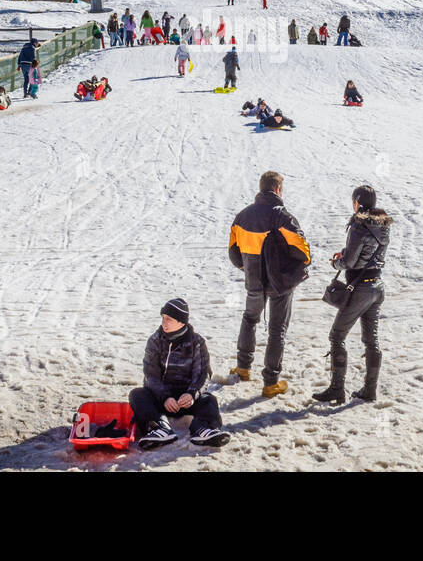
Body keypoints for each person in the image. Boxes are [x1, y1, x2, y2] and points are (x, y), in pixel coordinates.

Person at [228, 171, 310, 396]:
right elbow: (303, 249)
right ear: (277, 190)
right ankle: (270, 382)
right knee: (277, 329)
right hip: (279, 281)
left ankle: (243, 368)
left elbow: (233, 252)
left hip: (253, 278)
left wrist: (247, 267)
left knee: (250, 319)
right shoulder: (282, 216)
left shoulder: (242, 216)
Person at [313, 185, 391, 404]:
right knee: (371, 340)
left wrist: (336, 261)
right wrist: (347, 254)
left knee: (337, 336)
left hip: (360, 289)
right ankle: (370, 390)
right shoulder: (383, 225)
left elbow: (349, 262)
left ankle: (337, 389)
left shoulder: (359, 226)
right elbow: (367, 255)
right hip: (377, 286)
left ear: (357, 202)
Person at [131, 299, 230, 450]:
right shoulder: (155, 340)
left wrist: (192, 394)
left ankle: (203, 429)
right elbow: (151, 375)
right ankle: (159, 428)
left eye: (168, 319)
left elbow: (203, 374)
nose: (164, 322)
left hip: (187, 399)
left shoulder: (197, 342)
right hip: (162, 399)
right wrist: (164, 397)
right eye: (163, 317)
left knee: (209, 400)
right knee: (137, 394)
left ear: (181, 322)